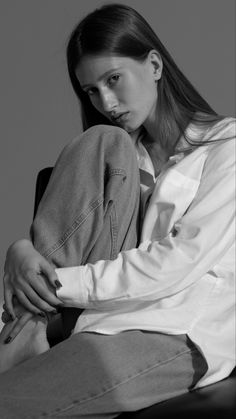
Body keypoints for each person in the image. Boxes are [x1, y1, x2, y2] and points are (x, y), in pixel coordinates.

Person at [0, 3, 235, 418]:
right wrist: (21, 251)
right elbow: (73, 231)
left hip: (173, 331)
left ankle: (28, 319)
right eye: (92, 90)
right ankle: (28, 324)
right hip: (97, 318)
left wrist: (55, 286)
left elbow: (179, 263)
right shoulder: (120, 157)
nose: (107, 101)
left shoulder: (226, 146)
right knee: (103, 140)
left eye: (114, 79)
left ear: (155, 65)